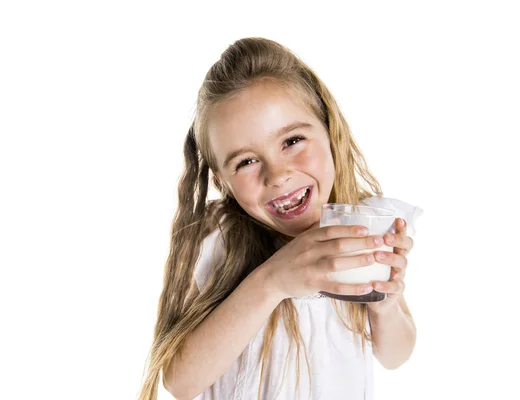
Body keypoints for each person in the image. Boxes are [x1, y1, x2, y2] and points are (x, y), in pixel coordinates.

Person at [137, 37, 423, 400]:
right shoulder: (218, 239)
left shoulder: (364, 226)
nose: (277, 175)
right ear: (222, 180)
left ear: (328, 128)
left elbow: (396, 355)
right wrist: (272, 281)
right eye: (246, 161)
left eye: (292, 141)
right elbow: (180, 382)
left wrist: (385, 306)